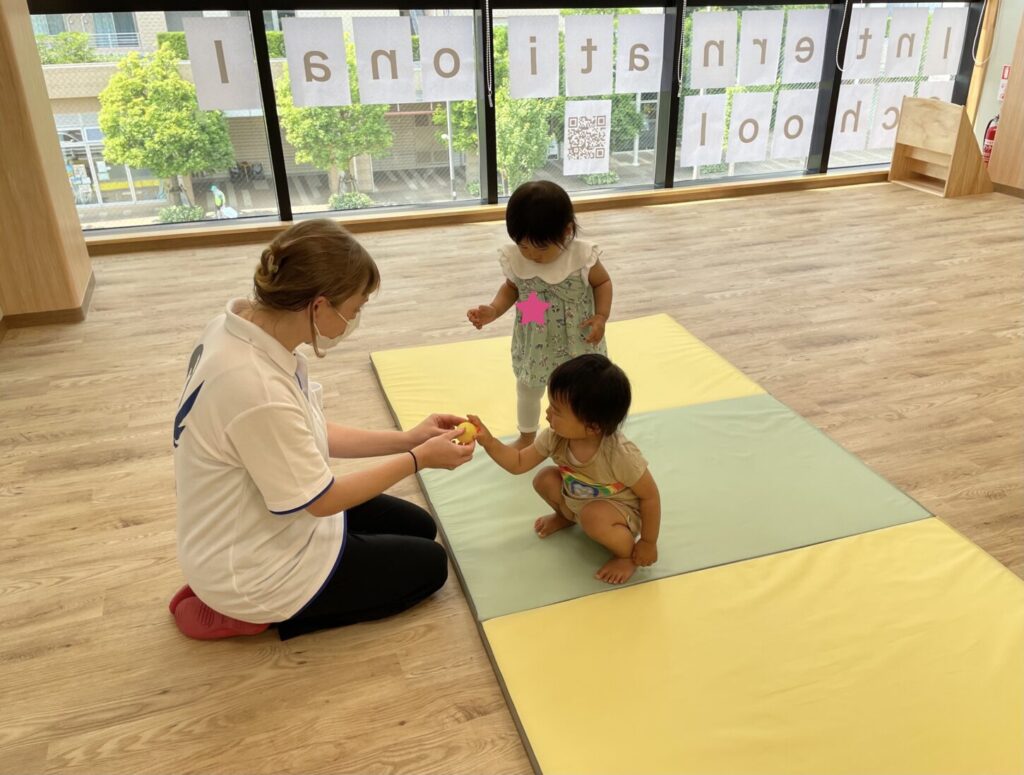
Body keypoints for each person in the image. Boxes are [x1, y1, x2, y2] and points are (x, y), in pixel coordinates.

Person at [170, 219, 474, 640]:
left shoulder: (237, 328)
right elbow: (322, 500)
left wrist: (408, 439)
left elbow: (309, 430)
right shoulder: (256, 388)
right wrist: (417, 460)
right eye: (355, 308)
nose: (355, 319)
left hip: (246, 524)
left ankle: (225, 587)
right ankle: (249, 612)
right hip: (257, 570)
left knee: (419, 526)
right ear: (319, 306)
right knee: (430, 568)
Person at [469, 354, 660, 585]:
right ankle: (566, 517)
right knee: (544, 479)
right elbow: (518, 462)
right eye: (550, 404)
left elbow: (650, 496)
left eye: (557, 410)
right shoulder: (555, 436)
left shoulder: (619, 455)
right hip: (579, 500)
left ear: (592, 427)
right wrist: (489, 442)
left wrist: (648, 543)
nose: (548, 412)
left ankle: (625, 555)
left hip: (620, 514)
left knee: (593, 516)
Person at [467, 181, 613, 449]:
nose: (532, 255)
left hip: (577, 343)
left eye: (541, 248)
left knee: (582, 390)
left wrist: (601, 316)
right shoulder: (517, 259)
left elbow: (602, 282)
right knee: (528, 389)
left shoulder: (581, 256)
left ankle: (586, 430)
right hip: (536, 343)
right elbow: (512, 288)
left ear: (566, 231)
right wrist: (494, 310)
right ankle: (527, 437)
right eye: (524, 247)